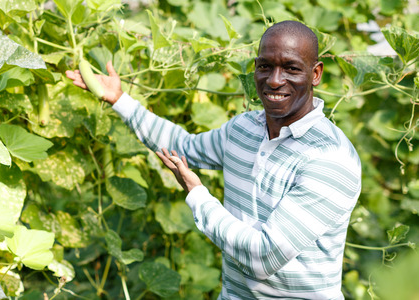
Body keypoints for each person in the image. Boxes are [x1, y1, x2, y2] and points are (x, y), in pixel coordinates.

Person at [66, 20, 361, 299]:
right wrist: (120, 100)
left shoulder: (330, 158)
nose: (274, 80)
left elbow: (264, 256)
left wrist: (198, 197)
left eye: (291, 68)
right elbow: (183, 147)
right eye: (264, 66)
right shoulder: (244, 129)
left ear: (316, 73)